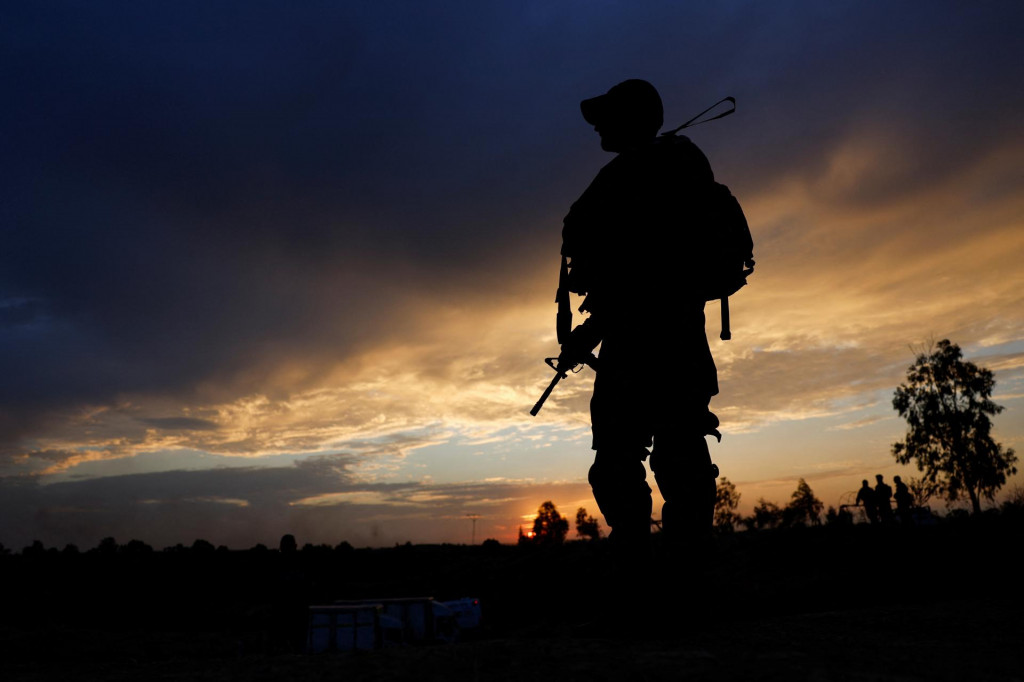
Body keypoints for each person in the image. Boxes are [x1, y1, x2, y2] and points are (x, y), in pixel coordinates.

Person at [557, 79, 723, 578]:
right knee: (651, 462)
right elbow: (627, 280)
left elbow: (640, 279)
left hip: (653, 348)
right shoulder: (668, 169)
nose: (598, 126)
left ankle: (661, 578)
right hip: (660, 346)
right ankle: (664, 579)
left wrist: (594, 329)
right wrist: (591, 333)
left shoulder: (637, 180)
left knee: (654, 462)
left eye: (608, 116)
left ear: (631, 119)